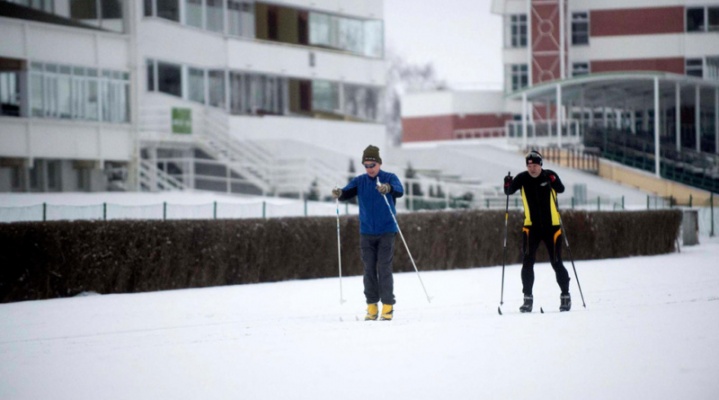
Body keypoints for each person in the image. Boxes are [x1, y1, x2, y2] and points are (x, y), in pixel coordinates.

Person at [332, 145, 404, 321]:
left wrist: (388, 188)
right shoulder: (360, 181)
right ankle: (371, 306)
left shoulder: (389, 178)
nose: (369, 169)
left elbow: (400, 190)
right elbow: (346, 192)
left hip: (387, 230)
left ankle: (388, 306)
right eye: (366, 165)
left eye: (372, 165)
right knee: (369, 269)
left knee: (384, 268)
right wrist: (339, 193)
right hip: (366, 232)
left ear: (379, 163)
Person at [503, 150, 572, 312]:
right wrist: (506, 183)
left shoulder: (549, 175)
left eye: (535, 165)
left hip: (552, 227)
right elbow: (508, 192)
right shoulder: (522, 178)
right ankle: (527, 300)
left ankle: (565, 296)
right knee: (527, 263)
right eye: (529, 165)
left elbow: (560, 189)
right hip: (531, 227)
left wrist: (554, 180)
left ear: (540, 165)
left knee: (556, 262)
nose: (532, 168)